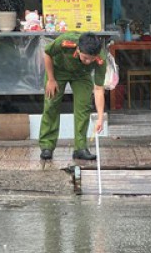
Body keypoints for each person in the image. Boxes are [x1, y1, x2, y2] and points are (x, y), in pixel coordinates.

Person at [39, 32, 107, 160]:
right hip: (58, 71)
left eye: (92, 59)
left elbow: (98, 89)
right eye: (85, 58)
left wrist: (100, 117)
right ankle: (47, 146)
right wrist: (51, 79)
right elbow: (47, 53)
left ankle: (80, 148)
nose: (88, 62)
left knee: (84, 107)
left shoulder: (101, 59)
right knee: (51, 105)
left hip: (81, 75)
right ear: (78, 49)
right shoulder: (65, 41)